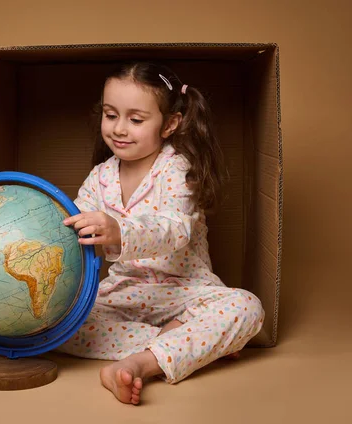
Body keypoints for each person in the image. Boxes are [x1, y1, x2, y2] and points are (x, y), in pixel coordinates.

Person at [60, 61, 265, 405]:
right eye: (111, 115)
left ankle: (142, 363)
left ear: (170, 124)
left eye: (136, 120)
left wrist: (118, 231)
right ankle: (187, 344)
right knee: (64, 324)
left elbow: (173, 229)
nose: (120, 129)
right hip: (127, 291)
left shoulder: (177, 168)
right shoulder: (99, 177)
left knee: (247, 308)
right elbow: (79, 232)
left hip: (188, 292)